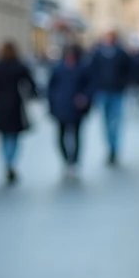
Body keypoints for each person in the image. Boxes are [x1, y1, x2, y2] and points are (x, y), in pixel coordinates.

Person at [0, 40, 37, 185]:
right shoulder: (19, 66)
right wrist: (32, 95)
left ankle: (7, 161)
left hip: (1, 104)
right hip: (15, 103)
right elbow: (30, 83)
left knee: (4, 136)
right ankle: (11, 162)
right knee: (14, 136)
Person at [88, 31, 133, 165]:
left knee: (115, 122)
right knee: (106, 121)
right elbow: (92, 72)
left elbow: (129, 70)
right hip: (102, 92)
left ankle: (114, 149)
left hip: (116, 92)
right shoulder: (98, 54)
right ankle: (109, 147)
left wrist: (123, 83)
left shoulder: (121, 54)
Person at [48, 44, 92, 178]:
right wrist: (53, 104)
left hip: (76, 108)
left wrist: (84, 97)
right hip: (61, 107)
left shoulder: (82, 69)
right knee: (61, 136)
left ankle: (74, 162)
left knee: (76, 135)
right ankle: (66, 160)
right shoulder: (58, 69)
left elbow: (89, 86)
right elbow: (51, 88)